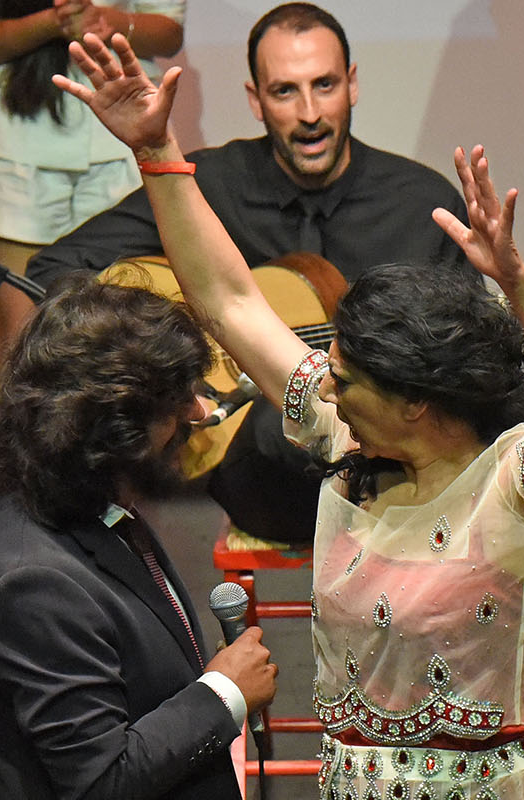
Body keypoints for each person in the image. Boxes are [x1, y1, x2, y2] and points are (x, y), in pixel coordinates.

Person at [55, 27, 524, 798]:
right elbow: (229, 302)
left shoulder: (518, 485)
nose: (322, 387)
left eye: (345, 379)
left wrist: (519, 284)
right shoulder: (348, 435)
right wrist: (158, 153)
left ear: (415, 398)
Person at [27, 2, 473, 548]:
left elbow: (468, 365)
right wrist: (165, 356)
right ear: (255, 100)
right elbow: (54, 268)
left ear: (352, 85)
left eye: (325, 85)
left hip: (395, 461)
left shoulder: (422, 203)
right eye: (285, 91)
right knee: (277, 425)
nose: (310, 112)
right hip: (261, 475)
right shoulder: (210, 183)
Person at [0, 276, 280, 799]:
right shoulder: (33, 582)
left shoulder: (91, 505)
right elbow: (100, 782)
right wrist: (224, 693)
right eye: (175, 399)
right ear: (113, 425)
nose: (197, 411)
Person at [0, 0, 185, 354]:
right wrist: (53, 22)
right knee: (23, 338)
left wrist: (108, 21)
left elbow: (168, 30)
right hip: (18, 144)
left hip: (119, 144)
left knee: (125, 332)